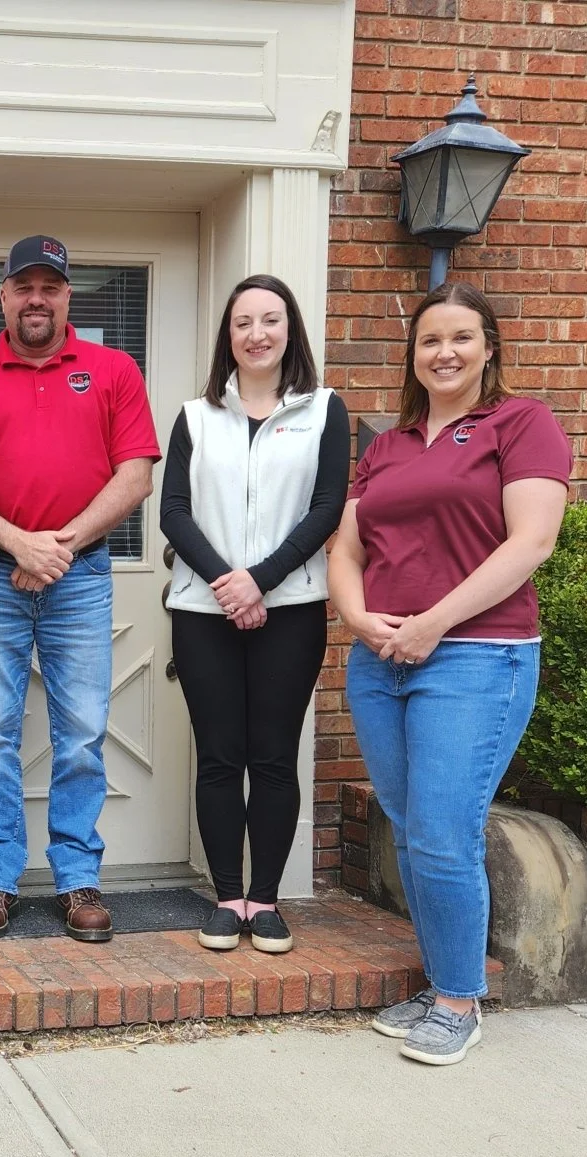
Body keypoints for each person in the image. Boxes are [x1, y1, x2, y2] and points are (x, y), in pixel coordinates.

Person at [329, 281, 570, 1066]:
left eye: (460, 338)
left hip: (475, 657)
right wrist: (360, 620)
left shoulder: (520, 423)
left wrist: (434, 622)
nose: (444, 352)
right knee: (411, 830)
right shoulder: (387, 444)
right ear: (413, 353)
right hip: (380, 660)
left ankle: (460, 1002)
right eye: (430, 340)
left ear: (488, 347)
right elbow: (346, 550)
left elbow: (529, 543)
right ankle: (441, 986)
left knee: (441, 829)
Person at [0, 236, 160, 942]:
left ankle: (76, 878)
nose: (36, 299)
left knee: (79, 737)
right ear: (1, 295)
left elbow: (134, 475)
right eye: (22, 287)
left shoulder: (112, 369)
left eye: (50, 287)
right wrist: (17, 543)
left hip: (80, 577)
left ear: (68, 296)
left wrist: (56, 547)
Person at [159, 274, 349, 956]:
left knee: (271, 757)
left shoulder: (324, 410)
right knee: (217, 757)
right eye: (243, 323)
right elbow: (172, 513)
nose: (257, 334)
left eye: (270, 320)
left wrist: (259, 581)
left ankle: (264, 901)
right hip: (201, 609)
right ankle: (225, 898)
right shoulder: (194, 416)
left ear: (289, 331)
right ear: (227, 337)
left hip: (292, 607)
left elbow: (326, 507)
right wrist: (224, 582)